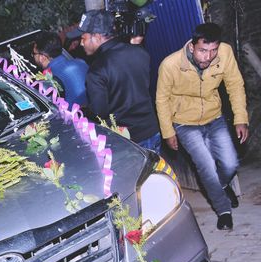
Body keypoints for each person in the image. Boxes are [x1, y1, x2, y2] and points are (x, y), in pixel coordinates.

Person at [156, 22, 249, 231]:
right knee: (206, 166)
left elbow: (235, 85)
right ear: (192, 47)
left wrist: (240, 118)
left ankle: (222, 185)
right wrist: (168, 132)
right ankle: (223, 210)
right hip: (184, 123)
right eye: (203, 51)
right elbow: (161, 100)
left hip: (214, 117)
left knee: (231, 164)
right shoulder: (170, 65)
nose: (208, 57)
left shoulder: (225, 53)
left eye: (213, 50)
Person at [67, 9, 161, 153]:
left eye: (83, 38)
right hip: (152, 129)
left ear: (97, 37)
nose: (81, 43)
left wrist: (84, 110)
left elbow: (100, 111)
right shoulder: (139, 51)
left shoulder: (97, 69)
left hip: (129, 140)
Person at [32, 30, 88, 107]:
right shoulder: (81, 63)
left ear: (42, 58)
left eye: (34, 54)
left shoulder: (48, 80)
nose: (33, 56)